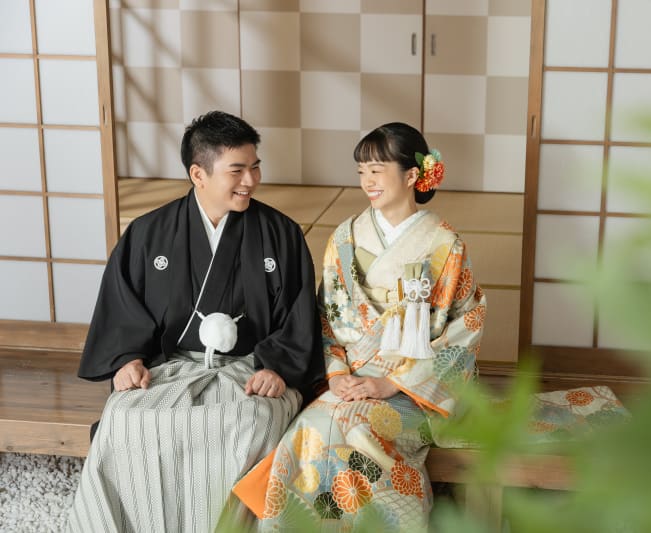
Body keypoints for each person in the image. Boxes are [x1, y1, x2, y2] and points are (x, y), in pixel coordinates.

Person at [66, 110, 323, 532]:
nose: (251, 180)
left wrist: (278, 367)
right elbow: (122, 307)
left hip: (251, 370)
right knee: (126, 418)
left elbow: (298, 315)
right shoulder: (149, 232)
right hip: (168, 367)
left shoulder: (281, 234)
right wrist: (127, 359)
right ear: (198, 174)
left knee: (252, 423)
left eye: (255, 167)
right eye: (237, 170)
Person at [232, 122, 487, 531]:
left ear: (412, 175)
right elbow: (326, 315)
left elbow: (466, 325)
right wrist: (336, 375)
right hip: (350, 379)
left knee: (358, 429)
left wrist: (391, 384)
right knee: (310, 428)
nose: (368, 181)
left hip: (413, 389)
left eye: (377, 170)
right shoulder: (346, 238)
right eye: (362, 171)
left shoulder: (445, 246)